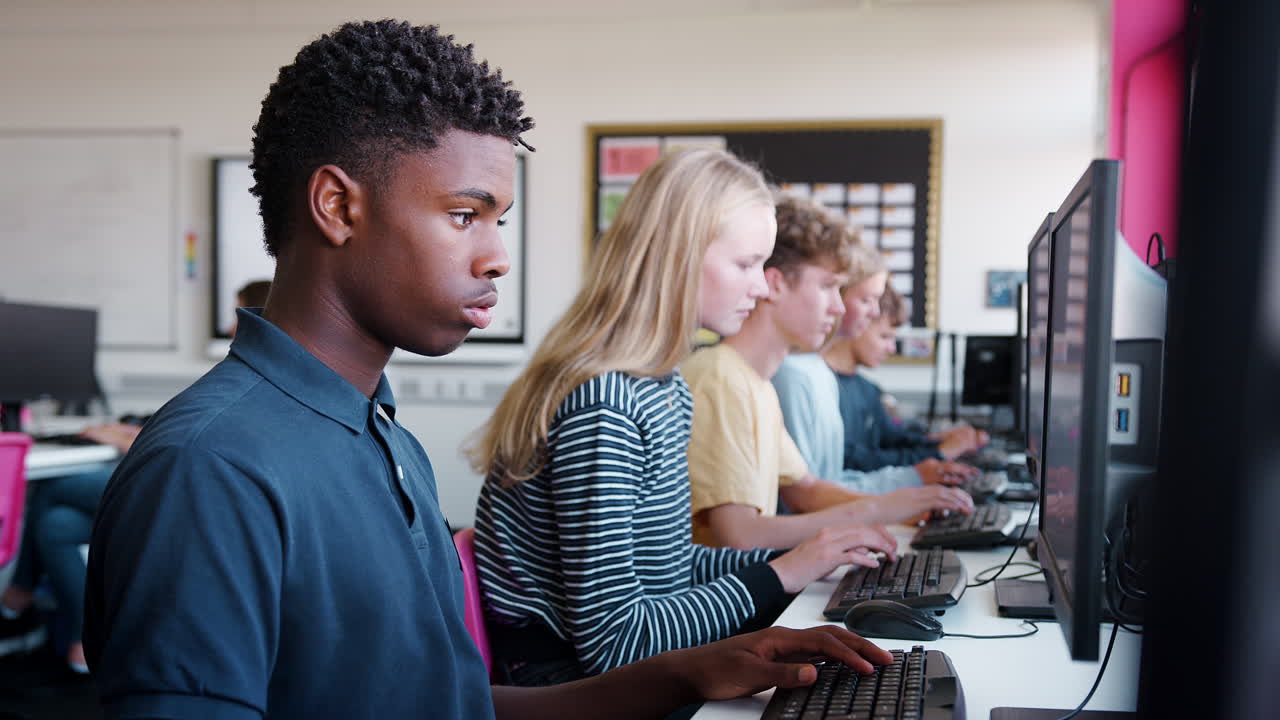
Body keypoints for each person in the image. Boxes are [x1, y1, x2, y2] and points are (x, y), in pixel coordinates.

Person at [84, 20, 892, 720]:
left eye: (498, 221)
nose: (499, 257)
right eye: (464, 215)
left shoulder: (382, 438)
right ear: (337, 206)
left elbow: (451, 704)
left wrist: (689, 668)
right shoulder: (210, 470)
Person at [469, 150, 897, 691]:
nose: (763, 288)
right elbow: (616, 643)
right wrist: (780, 575)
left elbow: (664, 571)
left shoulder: (663, 386)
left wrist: (799, 560)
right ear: (678, 256)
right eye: (746, 265)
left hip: (616, 669)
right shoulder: (605, 404)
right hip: (572, 686)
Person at [683, 195, 974, 552]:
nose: (838, 307)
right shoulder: (721, 378)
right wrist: (876, 512)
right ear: (775, 285)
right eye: (826, 286)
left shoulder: (756, 382)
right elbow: (740, 537)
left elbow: (806, 491)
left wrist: (900, 502)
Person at [771, 200, 978, 494]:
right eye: (866, 300)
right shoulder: (792, 376)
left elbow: (824, 485)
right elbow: (807, 497)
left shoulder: (815, 373)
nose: (839, 306)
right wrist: (915, 477)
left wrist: (920, 471)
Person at [0, 420, 141, 673]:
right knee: (56, 525)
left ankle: (19, 590)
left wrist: (122, 440)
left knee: (51, 486)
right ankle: (85, 636)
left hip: (167, 487)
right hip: (155, 478)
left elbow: (182, 448)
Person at [823, 281, 988, 471]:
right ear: (858, 322)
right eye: (884, 336)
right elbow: (850, 460)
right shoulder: (823, 385)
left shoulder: (867, 388)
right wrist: (939, 454)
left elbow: (891, 438)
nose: (892, 348)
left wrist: (937, 442)